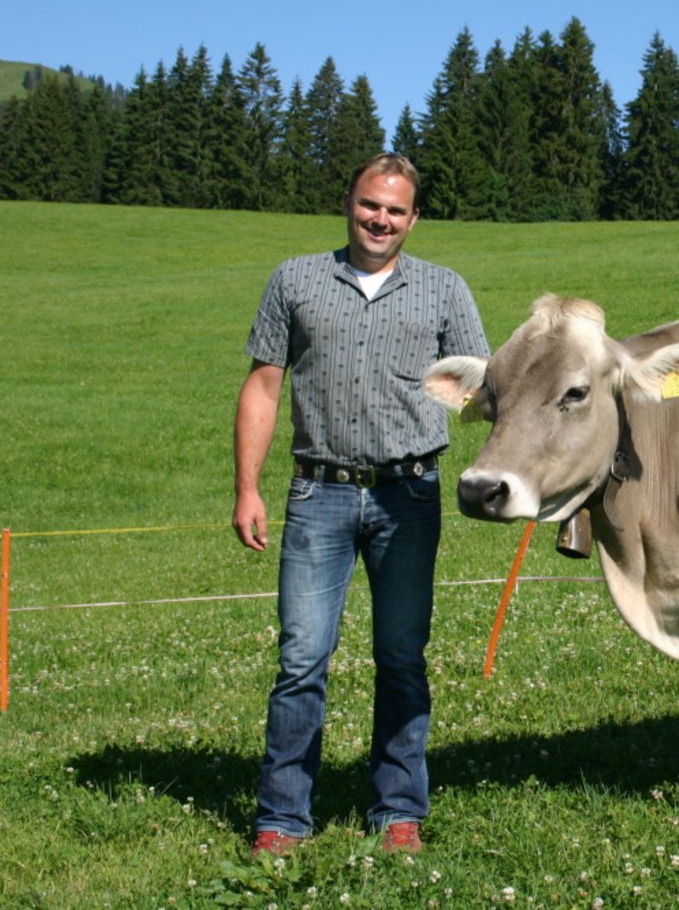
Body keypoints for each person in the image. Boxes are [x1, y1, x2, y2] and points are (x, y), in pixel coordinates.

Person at [232, 152, 489, 857]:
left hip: (409, 495)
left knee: (402, 656)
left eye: (395, 210)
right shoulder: (295, 279)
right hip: (318, 492)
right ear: (348, 202)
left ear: (414, 218)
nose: (381, 219)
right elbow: (263, 384)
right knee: (301, 660)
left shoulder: (444, 289)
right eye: (370, 205)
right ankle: (282, 817)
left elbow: (485, 387)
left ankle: (398, 809)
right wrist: (247, 488)